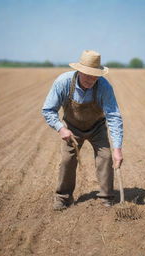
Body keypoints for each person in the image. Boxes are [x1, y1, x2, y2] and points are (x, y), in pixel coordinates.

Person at [42, 50, 123, 210]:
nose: (91, 80)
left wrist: (117, 148)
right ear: (79, 71)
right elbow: (48, 110)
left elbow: (114, 116)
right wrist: (60, 129)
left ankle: (106, 197)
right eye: (88, 75)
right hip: (71, 129)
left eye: (95, 76)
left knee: (106, 157)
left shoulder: (104, 87)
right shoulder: (63, 82)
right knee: (67, 160)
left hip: (97, 127)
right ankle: (63, 197)